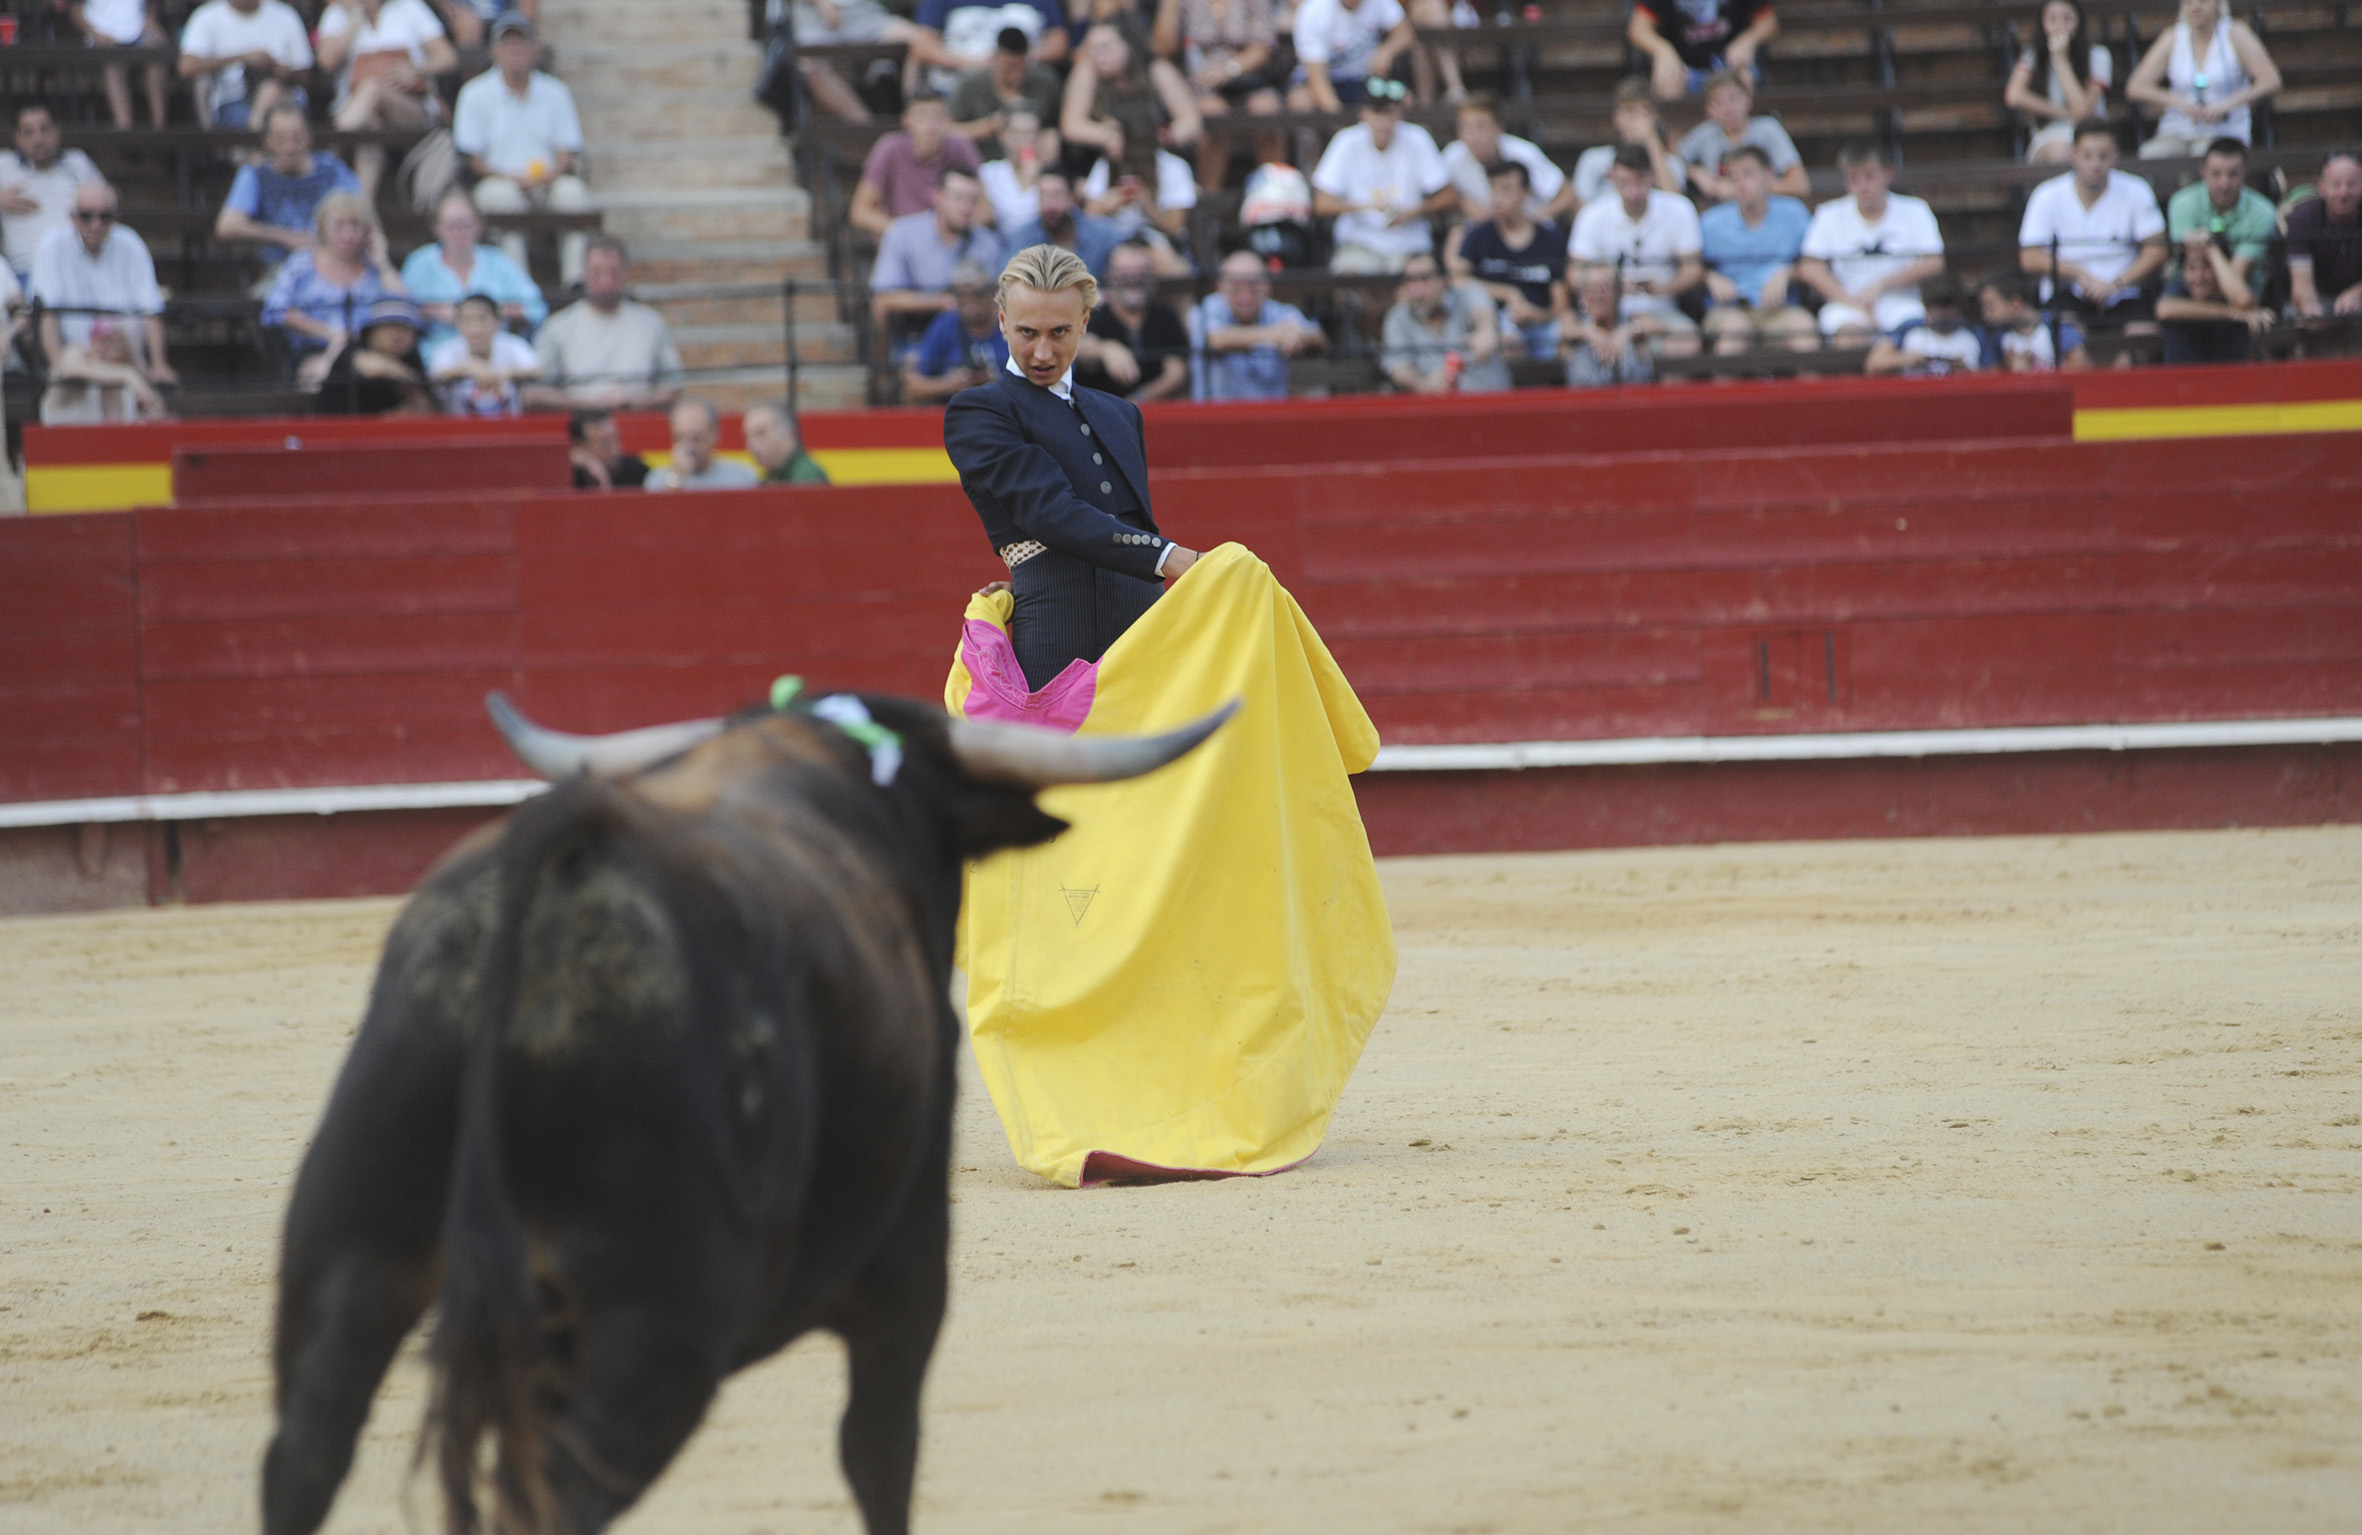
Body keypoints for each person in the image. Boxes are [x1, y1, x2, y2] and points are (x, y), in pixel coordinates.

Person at [943, 243, 1198, 693]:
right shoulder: (980, 411)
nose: (1042, 353)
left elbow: (1129, 522)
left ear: (1084, 322)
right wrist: (1169, 556)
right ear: (1002, 321)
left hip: (1142, 635)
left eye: (1059, 332)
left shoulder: (1121, 414)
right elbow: (1049, 512)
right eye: (1027, 332)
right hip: (1055, 630)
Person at [454, 11, 592, 289]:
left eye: (521, 42)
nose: (515, 49)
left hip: (547, 179)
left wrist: (552, 173)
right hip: (498, 180)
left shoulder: (556, 91)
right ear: (494, 51)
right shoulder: (475, 93)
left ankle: (575, 281)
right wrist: (509, 177)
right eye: (508, 43)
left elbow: (568, 150)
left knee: (574, 194)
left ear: (535, 49)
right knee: (502, 199)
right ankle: (518, 286)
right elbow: (473, 159)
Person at [31, 181, 175, 422]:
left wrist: (159, 364)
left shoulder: (131, 244)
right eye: (86, 216)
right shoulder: (52, 246)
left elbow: (151, 308)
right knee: (72, 359)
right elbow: (48, 313)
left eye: (104, 216)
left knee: (128, 326)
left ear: (116, 217)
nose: (95, 224)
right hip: (77, 356)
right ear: (72, 217)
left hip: (125, 352)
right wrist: (56, 363)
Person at [2018, 120, 2167, 335]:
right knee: (2064, 333)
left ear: (2115, 155)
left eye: (2103, 156)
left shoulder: (2137, 190)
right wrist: (2080, 275)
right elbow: (2029, 258)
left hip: (2125, 294)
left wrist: (2115, 284)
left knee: (2145, 333)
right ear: (2074, 155)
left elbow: (2158, 250)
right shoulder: (2046, 195)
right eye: (2088, 156)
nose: (2095, 164)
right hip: (2067, 294)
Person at [1796, 141, 1945, 343]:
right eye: (1853, 178)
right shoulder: (1829, 214)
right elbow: (1810, 268)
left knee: (1913, 336)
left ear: (1887, 174)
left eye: (1869, 176)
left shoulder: (1915, 210)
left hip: (1903, 302)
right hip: (1846, 304)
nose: (1862, 186)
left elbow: (1934, 262)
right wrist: (1854, 304)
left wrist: (1882, 285)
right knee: (1850, 338)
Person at [1568, 142, 1703, 356]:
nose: (1632, 192)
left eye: (1639, 181)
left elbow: (1693, 269)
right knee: (1579, 348)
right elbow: (1574, 274)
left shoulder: (1679, 208)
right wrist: (1609, 285)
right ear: (1611, 177)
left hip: (1661, 310)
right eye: (1624, 182)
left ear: (1652, 176)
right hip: (1605, 315)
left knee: (1685, 342)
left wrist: (1665, 287)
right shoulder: (1592, 214)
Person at [316, 0, 459, 201]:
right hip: (361, 112)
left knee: (373, 88)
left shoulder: (410, 7)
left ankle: (339, 137)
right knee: (370, 125)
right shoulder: (338, 12)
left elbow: (447, 57)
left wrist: (418, 69)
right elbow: (326, 61)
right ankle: (365, 208)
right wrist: (356, 18)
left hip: (408, 106)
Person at [1312, 78, 1454, 275]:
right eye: (1377, 113)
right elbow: (1321, 203)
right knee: (1347, 275)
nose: (1384, 122)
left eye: (1390, 112)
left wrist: (1412, 212)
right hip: (1360, 242)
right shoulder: (1346, 141)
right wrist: (1365, 207)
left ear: (1399, 113)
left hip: (1409, 245)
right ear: (1364, 114)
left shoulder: (1418, 138)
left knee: (1424, 275)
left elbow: (1447, 196)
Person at [261, 191, 402, 389]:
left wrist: (382, 261)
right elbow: (276, 310)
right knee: (328, 373)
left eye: (356, 225)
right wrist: (332, 335)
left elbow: (405, 307)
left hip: (371, 352)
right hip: (314, 350)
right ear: (322, 227)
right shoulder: (301, 263)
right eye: (339, 225)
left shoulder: (374, 268)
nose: (348, 234)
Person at [525, 236, 685, 408]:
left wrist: (634, 403)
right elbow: (534, 393)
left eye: (613, 273)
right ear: (584, 273)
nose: (606, 283)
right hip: (579, 427)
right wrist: (592, 407)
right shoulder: (557, 327)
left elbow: (673, 387)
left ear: (626, 272)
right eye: (597, 273)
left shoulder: (651, 324)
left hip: (639, 424)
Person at [212, 104, 362, 281]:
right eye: (280, 138)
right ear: (266, 140)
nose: (289, 146)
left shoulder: (332, 170)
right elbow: (227, 226)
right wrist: (288, 238)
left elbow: (363, 213)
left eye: (296, 138)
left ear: (309, 137)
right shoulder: (255, 174)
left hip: (333, 267)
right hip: (277, 271)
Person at [870, 170, 1004, 358]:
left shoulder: (987, 242)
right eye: (958, 198)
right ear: (937, 196)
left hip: (975, 338)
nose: (966, 207)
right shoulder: (902, 234)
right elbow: (883, 299)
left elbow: (1001, 297)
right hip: (918, 338)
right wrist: (941, 303)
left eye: (972, 200)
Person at [1698, 143, 1815, 355]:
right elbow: (1689, 268)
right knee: (1734, 333)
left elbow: (1815, 264)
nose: (1740, 184)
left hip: (1781, 310)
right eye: (1734, 177)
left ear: (1768, 176)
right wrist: (1709, 277)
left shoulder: (1795, 214)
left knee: (1804, 330)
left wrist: (1787, 272)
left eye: (1748, 174)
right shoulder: (1711, 222)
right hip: (1730, 311)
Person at [1446, 159, 1569, 360]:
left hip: (1543, 324)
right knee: (1508, 339)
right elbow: (1459, 282)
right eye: (1493, 189)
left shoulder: (1550, 239)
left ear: (1526, 193)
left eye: (1506, 190)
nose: (1497, 198)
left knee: (1567, 338)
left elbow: (1561, 303)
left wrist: (1535, 315)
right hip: (1495, 326)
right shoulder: (1480, 235)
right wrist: (1508, 293)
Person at [2124, 0, 2279, 160]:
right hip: (2178, 129)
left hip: (2224, 129)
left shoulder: (2235, 33)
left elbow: (2271, 80)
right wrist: (2177, 102)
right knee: (2150, 155)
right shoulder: (2173, 37)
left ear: (2218, 3)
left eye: (2203, 1)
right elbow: (2136, 86)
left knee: (2204, 156)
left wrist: (2228, 104)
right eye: (2188, 2)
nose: (2195, 7)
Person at [399, 188, 547, 349]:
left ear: (479, 226)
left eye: (465, 225)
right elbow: (400, 309)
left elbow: (536, 308)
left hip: (495, 354)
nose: (459, 233)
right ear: (437, 228)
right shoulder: (420, 262)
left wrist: (492, 312)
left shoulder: (497, 260)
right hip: (436, 354)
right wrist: (435, 311)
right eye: (451, 226)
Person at [1059, 21, 1203, 170]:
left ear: (1128, 45)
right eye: (1092, 49)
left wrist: (1159, 138)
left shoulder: (1156, 69)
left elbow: (1190, 121)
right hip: (1101, 160)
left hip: (1158, 156)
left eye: (1105, 47)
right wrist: (1109, 136)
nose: (1098, 56)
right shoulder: (1087, 72)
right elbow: (1071, 125)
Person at [1189, 251, 1323, 399]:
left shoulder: (1276, 311)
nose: (1245, 297)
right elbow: (1217, 339)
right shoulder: (1205, 309)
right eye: (1236, 288)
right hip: (1218, 417)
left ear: (1267, 286)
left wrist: (1298, 336)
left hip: (1271, 416)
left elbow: (1318, 336)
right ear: (1221, 287)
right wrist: (1277, 335)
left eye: (1253, 288)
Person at [850, 92, 982, 240]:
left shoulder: (961, 146)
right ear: (907, 120)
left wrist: (949, 230)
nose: (930, 125)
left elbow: (985, 210)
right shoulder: (889, 147)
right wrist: (907, 235)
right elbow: (860, 212)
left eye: (937, 117)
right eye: (922, 116)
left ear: (949, 121)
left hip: (953, 242)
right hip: (904, 244)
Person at [1154, 0, 1283, 151]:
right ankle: (1208, 175)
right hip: (1201, 84)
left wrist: (1228, 70)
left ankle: (1274, 173)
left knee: (1266, 110)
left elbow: (1262, 47)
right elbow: (1162, 48)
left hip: (1249, 79)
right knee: (1213, 112)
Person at [1074, 240, 1190, 400]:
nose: (1132, 280)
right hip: (1099, 410)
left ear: (1152, 276)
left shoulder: (1165, 316)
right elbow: (1079, 348)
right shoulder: (1095, 313)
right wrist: (1105, 349)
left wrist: (1136, 400)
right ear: (1110, 276)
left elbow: (1176, 374)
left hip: (1154, 412)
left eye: (1140, 273)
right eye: (1124, 273)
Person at [1, 107, 104, 283]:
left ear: (57, 130)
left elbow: (110, 202)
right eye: (28, 132)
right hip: (25, 274)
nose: (39, 139)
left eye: (45, 129)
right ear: (17, 137)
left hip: (77, 271)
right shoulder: (3, 165)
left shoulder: (78, 163)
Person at [1381, 253, 1509, 394]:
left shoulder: (1469, 293)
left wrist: (1485, 333)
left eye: (1425, 279)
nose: (1417, 289)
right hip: (1436, 409)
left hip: (1486, 401)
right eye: (1410, 281)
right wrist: (1425, 386)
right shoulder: (1398, 317)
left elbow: (1484, 318)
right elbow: (1398, 368)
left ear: (1443, 279)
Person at [2003, 0, 2111, 166]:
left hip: (2090, 134)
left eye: (2067, 19)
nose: (2060, 26)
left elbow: (2082, 113)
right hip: (2049, 135)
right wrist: (2061, 113)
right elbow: (2014, 94)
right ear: (2042, 23)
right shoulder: (2033, 55)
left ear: (2079, 21)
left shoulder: (2099, 55)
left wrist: (2061, 61)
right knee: (2061, 152)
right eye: (2052, 20)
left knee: (2076, 151)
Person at [178, 0, 313, 129]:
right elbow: (186, 67)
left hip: (285, 99)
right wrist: (243, 58)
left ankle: (255, 138)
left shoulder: (285, 15)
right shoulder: (206, 16)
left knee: (270, 90)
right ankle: (256, 136)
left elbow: (305, 74)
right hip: (232, 100)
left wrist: (278, 69)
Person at [1678, 69, 1807, 203]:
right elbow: (1673, 160)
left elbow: (1800, 185)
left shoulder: (1768, 129)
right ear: (1709, 110)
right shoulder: (1705, 133)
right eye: (1718, 103)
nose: (1728, 109)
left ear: (1748, 99)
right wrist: (1694, 172)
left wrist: (1740, 189)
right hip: (1721, 214)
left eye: (1733, 99)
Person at [1441, 93, 1570, 224]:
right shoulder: (1452, 157)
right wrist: (1463, 202)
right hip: (1484, 235)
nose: (1474, 136)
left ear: (1498, 128)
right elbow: (1443, 194)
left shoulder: (1523, 153)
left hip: (1528, 232)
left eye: (1481, 126)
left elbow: (1567, 193)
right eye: (1467, 127)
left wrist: (1538, 217)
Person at [2165, 137, 2276, 290]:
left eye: (2233, 174)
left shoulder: (2264, 212)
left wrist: (2210, 248)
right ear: (2203, 172)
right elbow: (2194, 275)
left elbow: (2236, 280)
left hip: (2242, 287)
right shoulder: (2181, 203)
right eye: (2216, 174)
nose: (2224, 184)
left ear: (2245, 172)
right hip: (2191, 289)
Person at [788, 0, 916, 123]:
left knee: (921, 40)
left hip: (864, 14)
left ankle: (915, 118)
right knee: (810, 64)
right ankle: (866, 129)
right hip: (814, 19)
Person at [2156, 227, 2271, 362]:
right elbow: (2164, 309)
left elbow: (2244, 301)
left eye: (2207, 266)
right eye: (2191, 268)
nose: (2199, 277)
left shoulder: (2232, 291)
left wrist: (2212, 249)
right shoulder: (2179, 291)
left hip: (2229, 378)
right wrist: (2230, 313)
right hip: (2183, 380)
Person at [908, 0, 1068, 95]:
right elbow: (922, 46)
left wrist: (1014, 62)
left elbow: (1058, 42)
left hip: (1023, 84)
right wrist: (977, 63)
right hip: (958, 83)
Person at [1570, 79, 1689, 207]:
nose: (1638, 119)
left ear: (1655, 117)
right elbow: (1581, 211)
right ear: (1617, 118)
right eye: (1630, 111)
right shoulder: (1593, 159)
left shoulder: (1670, 163)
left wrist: (1652, 140)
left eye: (1645, 112)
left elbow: (1678, 207)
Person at [1628, 0, 1776, 101]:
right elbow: (1638, 28)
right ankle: (1678, 143)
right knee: (1668, 82)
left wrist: (1748, 40)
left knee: (1744, 77)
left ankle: (1742, 142)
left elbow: (1768, 22)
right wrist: (1662, 50)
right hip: (1684, 65)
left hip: (1728, 62)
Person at [905, 260, 1011, 402]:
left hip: (1003, 414)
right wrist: (948, 384)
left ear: (993, 294)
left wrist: (994, 382)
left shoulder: (1009, 326)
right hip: (951, 413)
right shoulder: (945, 325)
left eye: (977, 293)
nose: (969, 300)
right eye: (961, 294)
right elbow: (913, 386)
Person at [949, 26, 1064, 156]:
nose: (1016, 74)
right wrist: (987, 127)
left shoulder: (1045, 83)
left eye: (1021, 67)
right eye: (1009, 67)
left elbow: (1058, 124)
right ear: (995, 58)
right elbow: (948, 130)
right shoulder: (970, 85)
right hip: (982, 159)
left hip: (1032, 157)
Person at [1287, 0, 1413, 112]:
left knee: (1404, 98)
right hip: (1328, 79)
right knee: (1302, 101)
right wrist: (1341, 120)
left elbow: (1405, 34)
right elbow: (1316, 77)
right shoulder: (1314, 10)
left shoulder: (1379, 2)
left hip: (1364, 79)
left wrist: (1386, 51)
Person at [317, 295, 437, 413]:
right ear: (371, 330)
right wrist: (411, 379)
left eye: (406, 329)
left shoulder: (412, 357)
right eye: (390, 326)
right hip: (337, 428)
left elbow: (426, 406)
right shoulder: (353, 352)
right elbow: (375, 367)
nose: (398, 336)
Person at [427, 291, 539, 415]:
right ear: (457, 324)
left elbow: (537, 369)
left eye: (482, 319)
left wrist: (508, 372)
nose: (475, 328)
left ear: (497, 321)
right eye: (466, 320)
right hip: (460, 429)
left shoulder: (513, 344)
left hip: (511, 427)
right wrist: (468, 367)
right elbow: (437, 374)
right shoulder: (447, 349)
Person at [71, 0, 172, 130]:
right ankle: (125, 129)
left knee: (157, 52)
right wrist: (94, 33)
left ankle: (160, 129)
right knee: (113, 63)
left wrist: (151, 19)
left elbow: (153, 3)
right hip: (102, 34)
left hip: (139, 31)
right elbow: (75, 10)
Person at [2287, 150, 2362, 323]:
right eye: (2336, 185)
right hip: (2320, 298)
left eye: (2351, 184)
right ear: (2321, 187)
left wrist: (2357, 293)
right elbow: (2301, 283)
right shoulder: (2302, 218)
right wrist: (2309, 306)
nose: (2343, 193)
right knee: (2297, 317)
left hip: (2358, 297)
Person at [1005, 171, 1123, 279]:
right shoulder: (1022, 237)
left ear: (1073, 197)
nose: (1049, 206)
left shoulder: (1102, 233)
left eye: (1057, 195)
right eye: (1043, 196)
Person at [1865, 273, 1985, 376]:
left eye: (1948, 311)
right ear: (1926, 307)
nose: (1943, 318)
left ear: (1960, 308)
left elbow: (1995, 373)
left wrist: (1966, 371)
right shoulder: (1909, 327)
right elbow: (1874, 364)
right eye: (1938, 311)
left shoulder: (1976, 333)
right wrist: (1907, 360)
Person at [1975, 267, 2088, 371]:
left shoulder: (2056, 326)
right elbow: (1990, 371)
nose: (1985, 314)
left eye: (1990, 306)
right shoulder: (1998, 335)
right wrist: (2008, 366)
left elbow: (2080, 365)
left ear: (2015, 304)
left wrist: (2038, 368)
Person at [1562, 261, 1651, 388]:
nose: (1598, 295)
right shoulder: (1576, 320)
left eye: (1605, 288)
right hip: (1584, 400)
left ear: (1618, 293)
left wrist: (1626, 332)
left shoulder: (1629, 319)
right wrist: (1590, 333)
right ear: (1582, 294)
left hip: (1631, 399)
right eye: (1592, 288)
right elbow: (1565, 329)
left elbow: (1656, 324)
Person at [647, 398, 761, 490]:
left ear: (714, 435)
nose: (688, 447)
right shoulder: (657, 480)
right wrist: (675, 478)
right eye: (680, 439)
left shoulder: (742, 478)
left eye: (697, 438)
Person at [743, 400, 830, 484]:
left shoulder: (807, 476)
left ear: (789, 435)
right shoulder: (772, 476)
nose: (751, 444)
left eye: (761, 433)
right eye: (748, 436)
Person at [568, 407, 649, 489]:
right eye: (605, 444)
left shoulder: (637, 470)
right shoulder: (571, 475)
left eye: (616, 440)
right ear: (580, 446)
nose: (615, 450)